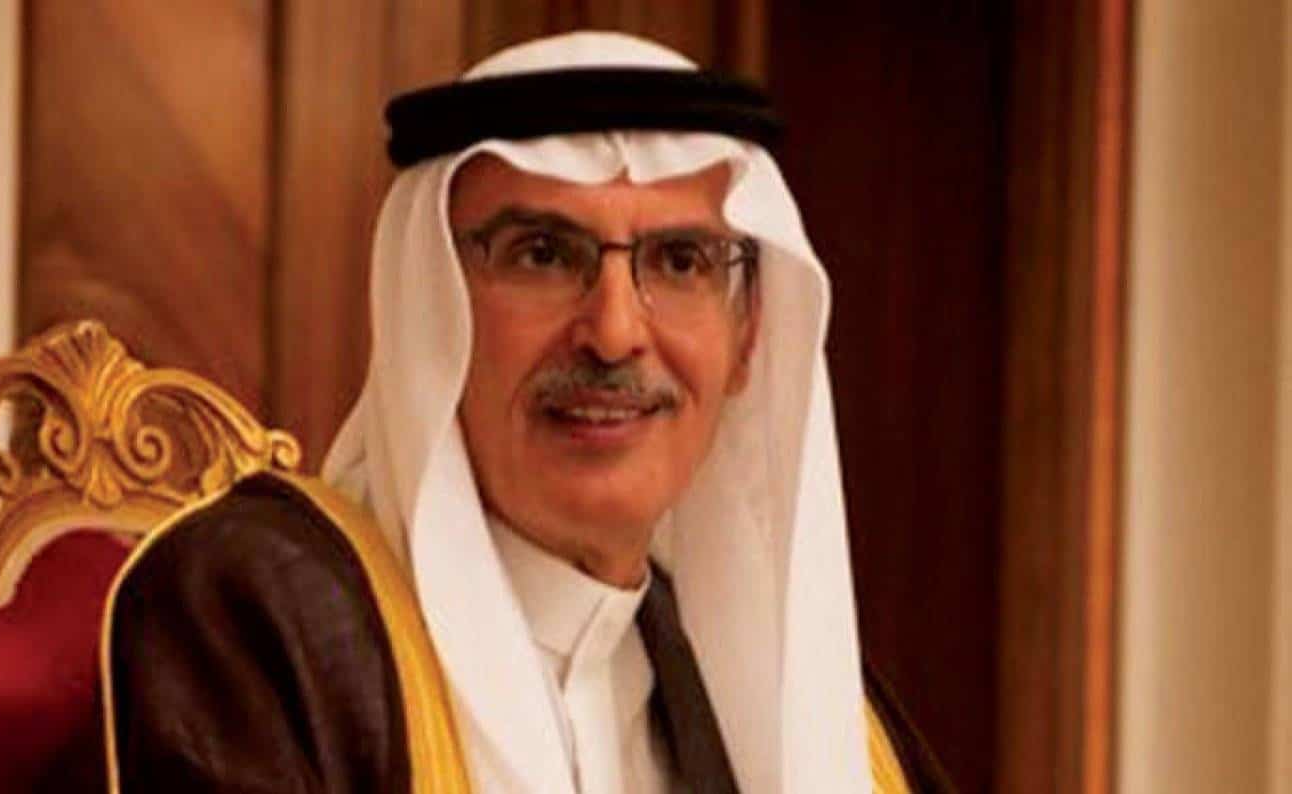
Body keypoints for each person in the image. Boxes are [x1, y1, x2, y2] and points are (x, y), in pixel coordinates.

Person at [102, 32, 952, 793]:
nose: (614, 333)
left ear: (748, 337)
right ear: (431, 311)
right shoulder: (262, 616)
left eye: (681, 261)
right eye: (543, 255)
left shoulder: (795, 705)